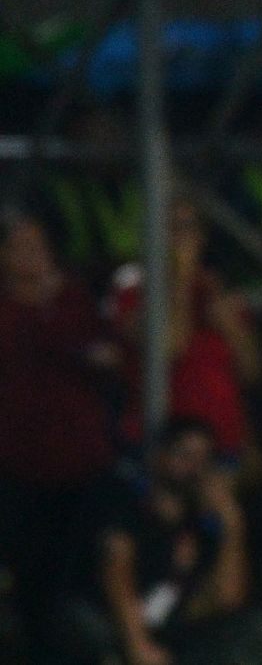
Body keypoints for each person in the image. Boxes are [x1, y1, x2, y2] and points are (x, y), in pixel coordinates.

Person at [0, 208, 121, 662]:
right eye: (18, 247)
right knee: (27, 575)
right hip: (16, 464)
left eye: (37, 247)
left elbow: (108, 355)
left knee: (75, 575)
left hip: (78, 464)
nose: (29, 257)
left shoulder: (73, 301)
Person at [108, 192, 262, 470]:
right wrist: (181, 277)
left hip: (223, 443)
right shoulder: (132, 289)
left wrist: (231, 328)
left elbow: (250, 372)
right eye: (171, 227)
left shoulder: (215, 289)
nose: (180, 238)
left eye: (188, 227)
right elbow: (171, 345)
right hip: (164, 448)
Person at [77, 417, 250, 665]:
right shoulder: (127, 504)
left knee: (234, 631)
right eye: (185, 455)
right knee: (85, 628)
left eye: (203, 459)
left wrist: (233, 524)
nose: (194, 468)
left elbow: (225, 598)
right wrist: (139, 646)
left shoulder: (201, 524)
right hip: (111, 618)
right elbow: (116, 573)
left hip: (165, 621)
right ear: (160, 456)